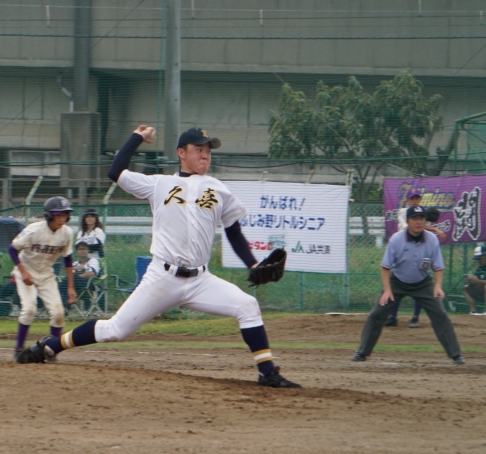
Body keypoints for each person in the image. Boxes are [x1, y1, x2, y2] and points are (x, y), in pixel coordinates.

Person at [16, 125, 301, 388]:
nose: (205, 155)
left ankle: (267, 373)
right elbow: (116, 171)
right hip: (163, 277)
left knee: (247, 305)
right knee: (115, 330)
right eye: (198, 149)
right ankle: (50, 346)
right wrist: (136, 138)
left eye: (208, 150)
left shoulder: (218, 189)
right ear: (181, 153)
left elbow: (233, 231)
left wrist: (252, 263)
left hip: (201, 280)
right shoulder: (159, 184)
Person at [351, 205, 464, 365]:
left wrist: (438, 286)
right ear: (408, 221)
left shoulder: (431, 239)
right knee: (376, 314)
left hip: (423, 283)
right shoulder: (396, 239)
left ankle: (456, 354)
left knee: (440, 314)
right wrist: (387, 290)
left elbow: (438, 267)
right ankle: (362, 352)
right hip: (397, 282)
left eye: (421, 219)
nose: (418, 222)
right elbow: (385, 267)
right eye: (414, 219)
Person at [9, 196, 77, 357]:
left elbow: (68, 259)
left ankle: (51, 350)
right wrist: (23, 272)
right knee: (29, 309)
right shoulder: (33, 230)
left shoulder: (67, 233)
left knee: (58, 313)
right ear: (49, 215)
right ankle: (19, 349)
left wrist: (70, 287)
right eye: (58, 215)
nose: (62, 218)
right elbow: (12, 249)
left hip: (46, 274)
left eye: (65, 214)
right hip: (25, 271)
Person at [385, 191, 446, 328]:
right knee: (397, 283)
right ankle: (393, 316)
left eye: (417, 198)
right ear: (407, 200)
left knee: (421, 282)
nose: (414, 200)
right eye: (412, 198)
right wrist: (436, 229)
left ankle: (415, 317)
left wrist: (428, 223)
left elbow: (422, 228)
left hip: (420, 249)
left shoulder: (422, 214)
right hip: (403, 250)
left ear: (420, 200)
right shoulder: (403, 212)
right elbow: (410, 227)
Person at [59, 241, 100, 313]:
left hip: (88, 285)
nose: (83, 251)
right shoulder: (75, 264)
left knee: (68, 281)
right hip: (75, 287)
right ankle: (64, 308)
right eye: (80, 249)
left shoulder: (93, 261)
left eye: (85, 249)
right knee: (65, 288)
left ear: (88, 251)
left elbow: (91, 273)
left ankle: (57, 289)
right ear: (76, 252)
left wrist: (76, 277)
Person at [462, 246, 486, 316]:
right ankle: (473, 312)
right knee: (466, 288)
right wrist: (470, 280)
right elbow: (476, 279)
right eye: (477, 259)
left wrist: (478, 281)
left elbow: (478, 281)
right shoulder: (480, 267)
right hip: (483, 292)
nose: (478, 261)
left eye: (480, 258)